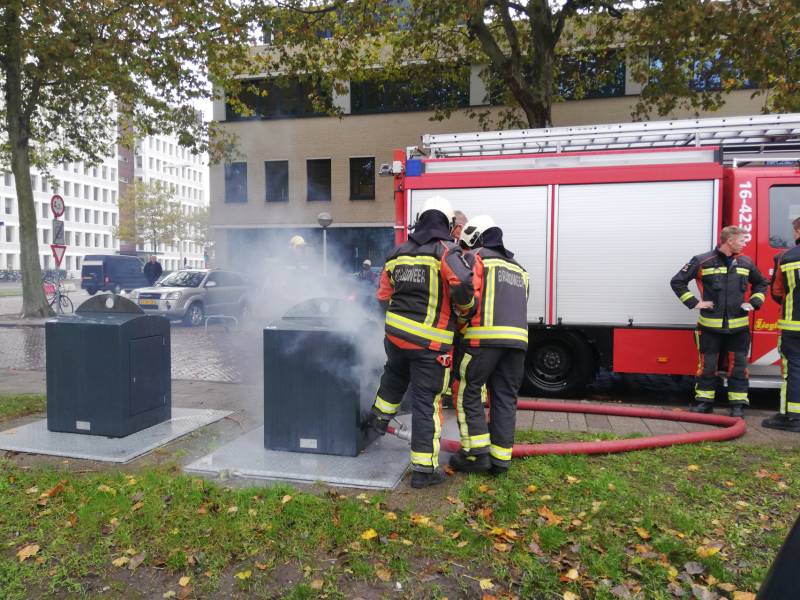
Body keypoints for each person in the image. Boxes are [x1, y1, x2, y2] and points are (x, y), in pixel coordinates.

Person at [366, 195, 475, 489]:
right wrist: (465, 312)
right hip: (430, 347)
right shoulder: (446, 252)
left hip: (396, 339)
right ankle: (424, 470)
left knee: (394, 379)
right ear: (447, 222)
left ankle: (376, 421)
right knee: (427, 404)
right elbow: (464, 285)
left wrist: (392, 325)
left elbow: (381, 298)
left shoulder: (396, 254)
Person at [449, 215, 529, 476]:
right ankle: (500, 461)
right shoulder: (519, 268)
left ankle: (476, 455)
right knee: (505, 398)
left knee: (467, 392)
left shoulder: (476, 258)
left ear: (475, 235)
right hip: (517, 344)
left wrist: (460, 321)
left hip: (481, 340)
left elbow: (466, 292)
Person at [670, 226, 767, 416]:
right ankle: (704, 403)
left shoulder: (746, 262)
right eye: (742, 240)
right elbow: (677, 281)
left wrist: (754, 302)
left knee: (738, 367)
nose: (745, 243)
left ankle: (737, 406)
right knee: (707, 366)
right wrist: (694, 302)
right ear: (729, 241)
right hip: (709, 327)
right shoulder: (702, 261)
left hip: (739, 328)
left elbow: (761, 283)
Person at [764, 217, 800, 432]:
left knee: (793, 369)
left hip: (793, 326)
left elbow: (777, 292)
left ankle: (791, 417)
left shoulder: (785, 257)